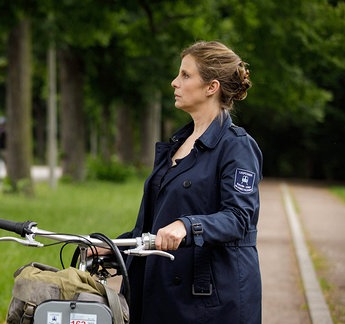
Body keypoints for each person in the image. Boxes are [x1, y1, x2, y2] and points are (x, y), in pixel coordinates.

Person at [101, 41, 263, 323]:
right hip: (159, 294)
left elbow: (238, 218)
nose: (175, 82)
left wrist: (188, 226)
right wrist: (112, 246)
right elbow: (152, 228)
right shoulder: (176, 144)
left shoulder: (236, 147)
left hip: (209, 302)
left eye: (186, 75)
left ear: (211, 87)